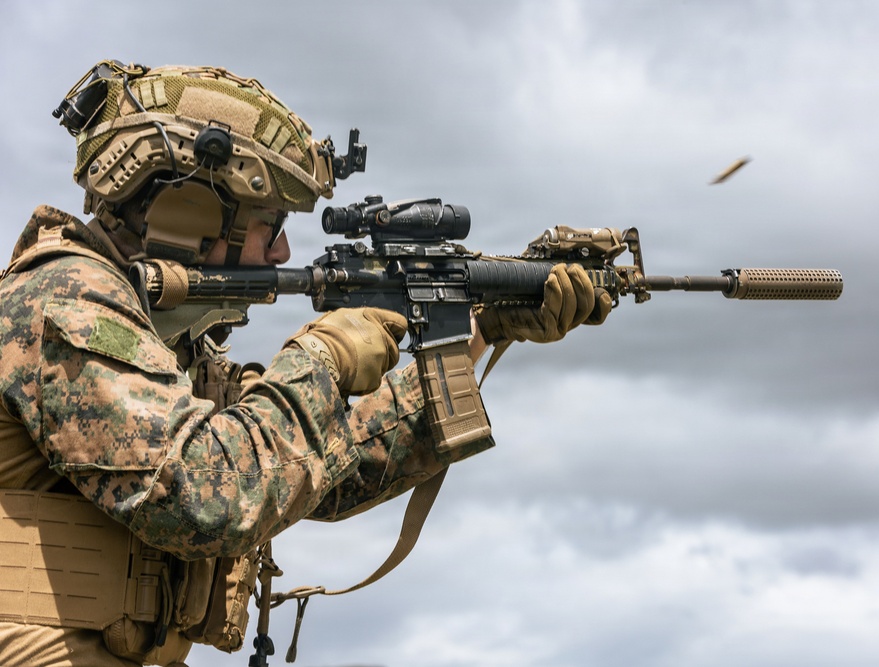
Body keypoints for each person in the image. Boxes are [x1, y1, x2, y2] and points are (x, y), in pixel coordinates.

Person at [0, 61, 610, 666]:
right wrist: (323, 357)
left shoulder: (173, 354)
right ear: (189, 212)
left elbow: (317, 474)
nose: (285, 252)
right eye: (271, 225)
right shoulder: (64, 301)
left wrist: (481, 328)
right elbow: (207, 496)